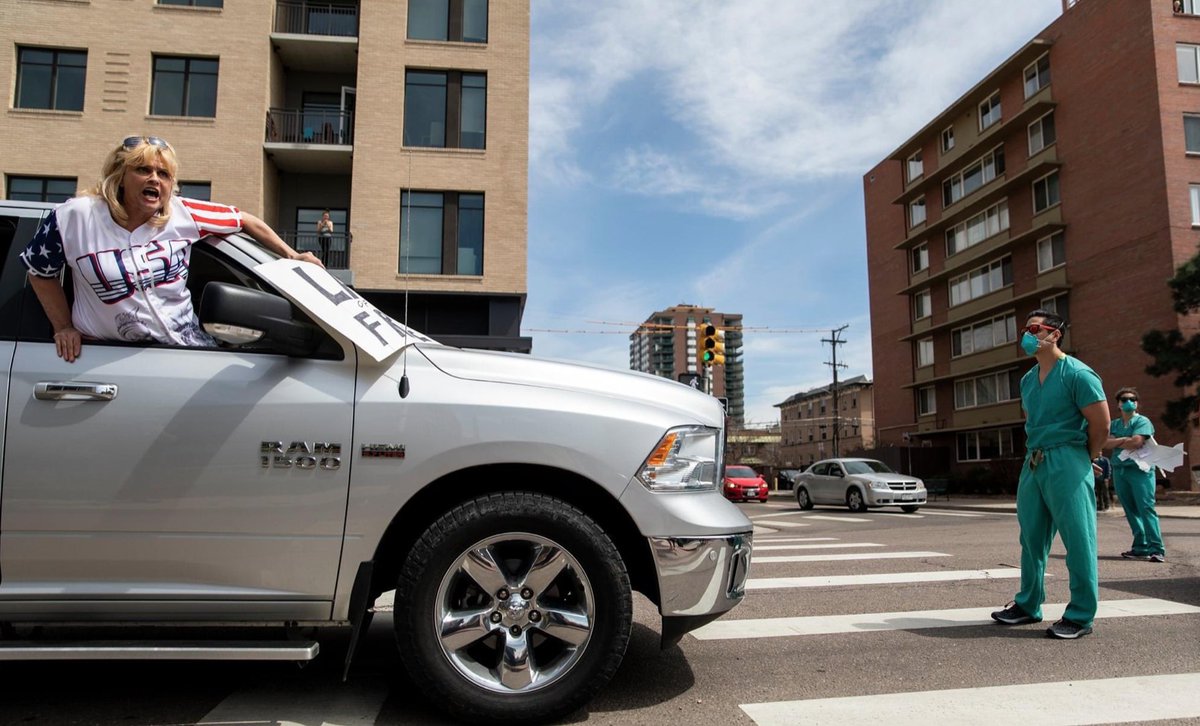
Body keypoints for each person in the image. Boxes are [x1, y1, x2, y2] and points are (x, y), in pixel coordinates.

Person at [20, 135, 322, 363]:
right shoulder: (74, 216)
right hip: (106, 357)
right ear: (120, 176)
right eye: (143, 169)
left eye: (163, 174)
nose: (154, 179)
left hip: (185, 350)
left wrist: (292, 255)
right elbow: (39, 272)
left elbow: (243, 220)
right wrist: (63, 327)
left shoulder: (184, 213)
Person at [991, 309, 1109, 640]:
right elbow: (1033, 420)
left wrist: (1087, 457)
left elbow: (1101, 424)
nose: (1027, 335)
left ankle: (1081, 614)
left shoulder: (1079, 374)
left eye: (1035, 329)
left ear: (1054, 334)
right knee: (1031, 538)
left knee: (1078, 538)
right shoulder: (1028, 380)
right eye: (1025, 329)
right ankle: (1028, 604)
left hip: (1068, 457)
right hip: (1034, 460)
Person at [1104, 387, 1166, 563]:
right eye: (1124, 399)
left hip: (1140, 471)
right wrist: (1126, 441)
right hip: (1120, 470)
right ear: (1118, 404)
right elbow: (1105, 442)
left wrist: (1118, 441)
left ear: (1137, 403)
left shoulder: (1142, 421)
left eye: (1132, 399)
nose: (1128, 402)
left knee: (1146, 508)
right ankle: (1141, 547)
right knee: (1130, 509)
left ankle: (1157, 549)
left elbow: (1137, 442)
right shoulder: (1115, 423)